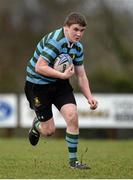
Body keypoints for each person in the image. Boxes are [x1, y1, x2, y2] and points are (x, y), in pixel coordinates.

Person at [24, 12, 98, 169]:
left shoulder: (77, 47)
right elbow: (40, 67)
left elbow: (81, 75)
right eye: (75, 29)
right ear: (66, 28)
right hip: (38, 85)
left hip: (59, 84)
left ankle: (73, 162)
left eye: (82, 30)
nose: (79, 34)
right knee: (49, 131)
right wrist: (62, 75)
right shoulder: (56, 42)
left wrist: (89, 97)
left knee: (72, 116)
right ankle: (37, 125)